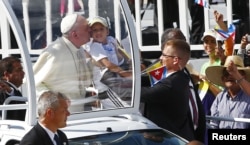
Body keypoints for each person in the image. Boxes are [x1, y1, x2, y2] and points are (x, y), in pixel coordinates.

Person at [33, 14, 92, 112]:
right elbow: (34, 82)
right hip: (57, 115)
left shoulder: (80, 49)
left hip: (79, 113)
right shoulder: (55, 52)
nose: (90, 30)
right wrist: (53, 100)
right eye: (87, 28)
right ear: (75, 35)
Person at [140, 39, 196, 141]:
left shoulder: (173, 82)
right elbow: (142, 80)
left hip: (170, 140)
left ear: (175, 60)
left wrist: (112, 88)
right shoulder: (169, 74)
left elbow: (140, 94)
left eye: (164, 55)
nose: (160, 58)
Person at [83, 16, 132, 108]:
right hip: (107, 89)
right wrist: (128, 75)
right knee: (127, 109)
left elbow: (123, 53)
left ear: (107, 31)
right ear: (91, 33)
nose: (98, 32)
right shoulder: (95, 46)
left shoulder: (111, 40)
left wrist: (130, 62)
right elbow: (109, 65)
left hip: (118, 82)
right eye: (95, 30)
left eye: (101, 29)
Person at [206, 55, 250, 129]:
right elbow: (214, 125)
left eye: (234, 73)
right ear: (223, 79)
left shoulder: (248, 97)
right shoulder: (219, 98)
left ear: (243, 77)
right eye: (226, 73)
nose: (230, 76)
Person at [0, 56, 26, 120]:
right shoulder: (3, 89)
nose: (23, 73)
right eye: (19, 70)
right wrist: (10, 91)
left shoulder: (15, 91)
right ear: (7, 75)